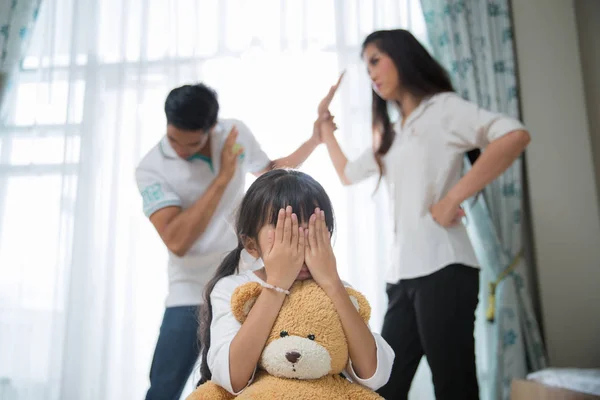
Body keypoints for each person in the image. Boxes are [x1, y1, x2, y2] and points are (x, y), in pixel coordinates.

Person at [319, 29, 531, 400]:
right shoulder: (394, 132)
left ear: (402, 56)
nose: (371, 73)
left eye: (375, 61)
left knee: (453, 385)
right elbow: (348, 174)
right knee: (384, 387)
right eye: (365, 67)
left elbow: (513, 135)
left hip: (445, 268)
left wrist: (452, 199)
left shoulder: (444, 109)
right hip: (403, 277)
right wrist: (325, 131)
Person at [135, 83, 334, 399]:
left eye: (190, 143)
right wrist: (224, 178)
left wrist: (314, 141)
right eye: (173, 139)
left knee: (246, 381)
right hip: (190, 291)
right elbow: (177, 240)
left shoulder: (234, 134)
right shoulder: (151, 168)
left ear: (211, 128)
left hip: (245, 281)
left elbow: (271, 173)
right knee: (164, 388)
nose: (179, 149)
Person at [197, 169, 395, 395]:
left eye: (312, 225)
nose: (298, 238)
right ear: (251, 245)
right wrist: (276, 285)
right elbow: (232, 378)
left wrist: (332, 283)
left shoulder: (338, 289)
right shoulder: (233, 289)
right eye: (284, 228)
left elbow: (374, 375)